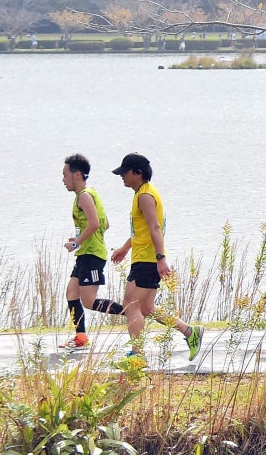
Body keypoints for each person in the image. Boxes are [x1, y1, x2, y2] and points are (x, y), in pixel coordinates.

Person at [108, 153, 205, 361]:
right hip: (143, 257)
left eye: (125, 172)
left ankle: (138, 355)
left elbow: (155, 227)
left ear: (138, 173)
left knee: (130, 305)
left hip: (147, 259)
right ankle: (190, 332)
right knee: (146, 308)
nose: (122, 176)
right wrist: (125, 248)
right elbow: (142, 230)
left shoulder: (145, 195)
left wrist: (160, 258)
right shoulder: (143, 193)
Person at [61, 153, 123, 350]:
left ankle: (132, 312)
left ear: (77, 175)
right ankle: (80, 337)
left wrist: (77, 243)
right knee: (71, 292)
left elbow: (96, 224)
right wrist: (80, 239)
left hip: (92, 256)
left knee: (88, 301)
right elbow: (105, 224)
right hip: (85, 254)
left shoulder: (85, 196)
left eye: (65, 175)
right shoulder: (88, 194)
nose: (62, 180)